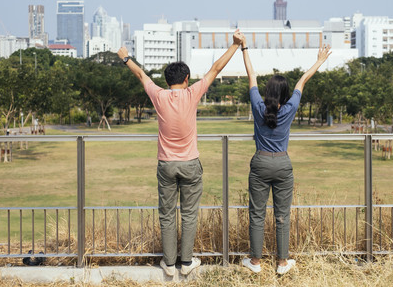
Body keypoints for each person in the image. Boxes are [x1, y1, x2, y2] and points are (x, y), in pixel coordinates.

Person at [117, 30, 244, 276]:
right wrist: (235, 46)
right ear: (186, 78)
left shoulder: (159, 95)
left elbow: (141, 74)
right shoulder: (192, 93)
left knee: (167, 215)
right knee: (189, 215)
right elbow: (216, 69)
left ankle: (169, 262)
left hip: (166, 164)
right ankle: (186, 263)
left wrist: (126, 58)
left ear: (167, 81)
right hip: (190, 164)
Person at [240, 38, 331, 274]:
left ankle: (256, 262)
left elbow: (251, 75)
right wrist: (319, 61)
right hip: (282, 163)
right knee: (282, 216)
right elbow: (303, 80)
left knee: (257, 215)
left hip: (260, 163)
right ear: (285, 94)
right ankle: (282, 263)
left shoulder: (258, 106)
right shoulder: (290, 109)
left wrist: (244, 48)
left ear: (268, 91)